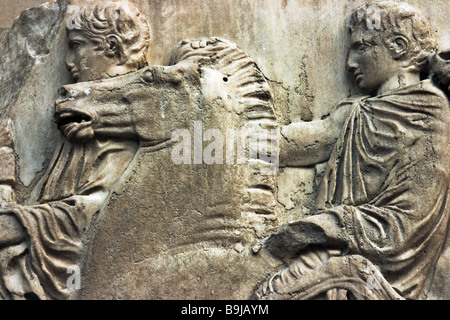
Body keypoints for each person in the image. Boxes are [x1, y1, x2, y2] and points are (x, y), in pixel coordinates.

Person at [255, 1, 449, 300]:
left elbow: (407, 226)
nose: (350, 62)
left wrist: (321, 226)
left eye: (361, 47)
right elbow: (302, 143)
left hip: (380, 275)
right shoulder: (359, 111)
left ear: (398, 46)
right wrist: (225, 140)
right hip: (331, 248)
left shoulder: (430, 114)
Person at [0, 1, 150, 300]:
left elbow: (105, 209)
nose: (69, 61)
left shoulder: (129, 111)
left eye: (77, 46)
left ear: (111, 47)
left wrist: (19, 224)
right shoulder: (81, 111)